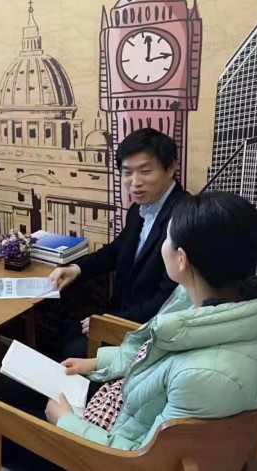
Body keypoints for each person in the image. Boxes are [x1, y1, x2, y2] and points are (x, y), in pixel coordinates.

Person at [0, 191, 257, 471]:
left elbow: (139, 460)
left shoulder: (203, 376)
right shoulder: (235, 306)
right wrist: (98, 362)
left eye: (167, 238)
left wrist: (66, 422)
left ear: (182, 259)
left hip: (116, 447)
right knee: (10, 384)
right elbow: (156, 352)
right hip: (134, 403)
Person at [50, 128, 188, 358]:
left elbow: (170, 298)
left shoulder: (185, 217)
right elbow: (116, 250)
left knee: (73, 349)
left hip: (147, 330)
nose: (135, 183)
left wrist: (111, 323)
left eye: (146, 171)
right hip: (121, 311)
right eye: (127, 173)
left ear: (171, 168)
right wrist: (76, 269)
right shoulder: (138, 209)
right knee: (60, 327)